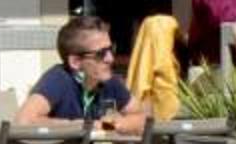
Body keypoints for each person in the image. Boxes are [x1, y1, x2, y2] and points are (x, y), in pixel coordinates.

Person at [16, 14, 151, 135]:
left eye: (111, 49)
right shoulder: (59, 79)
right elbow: (23, 121)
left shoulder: (109, 80)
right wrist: (79, 126)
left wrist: (111, 125)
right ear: (75, 62)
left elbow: (142, 118)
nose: (110, 58)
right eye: (101, 54)